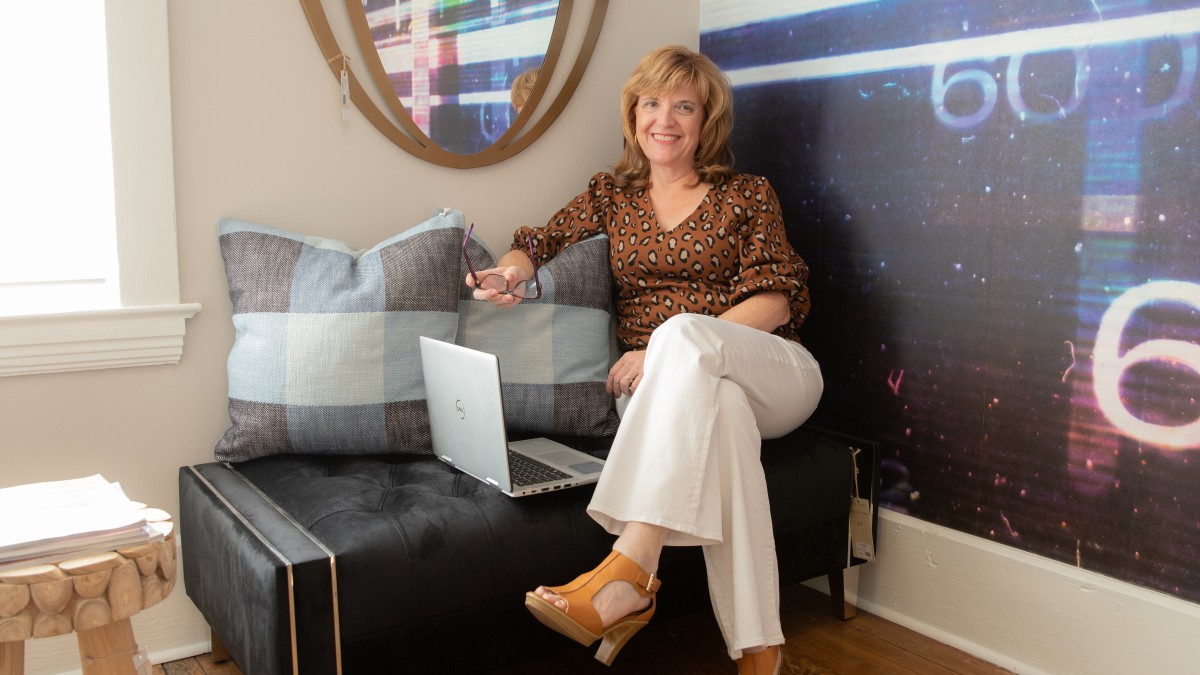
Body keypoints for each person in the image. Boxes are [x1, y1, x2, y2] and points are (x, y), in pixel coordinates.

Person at [465, 45, 823, 675]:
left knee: (684, 338)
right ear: (633, 115)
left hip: (771, 369)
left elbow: (775, 301)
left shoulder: (746, 194)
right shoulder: (612, 194)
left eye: (684, 106)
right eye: (652, 103)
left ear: (706, 120)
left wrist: (662, 347)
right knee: (723, 416)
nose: (665, 119)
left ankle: (629, 569)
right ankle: (759, 653)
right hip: (674, 393)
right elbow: (538, 241)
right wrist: (511, 273)